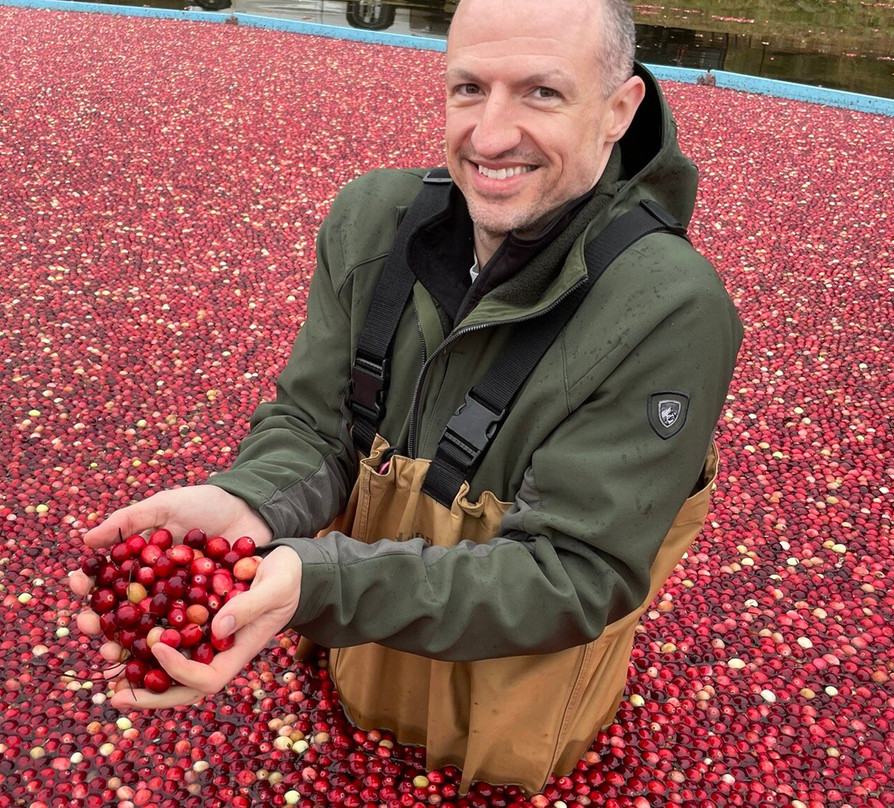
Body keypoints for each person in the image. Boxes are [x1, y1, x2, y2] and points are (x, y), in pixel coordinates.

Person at [70, 0, 742, 792]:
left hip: (510, 705)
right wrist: (249, 509)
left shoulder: (669, 309)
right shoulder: (372, 223)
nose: (489, 136)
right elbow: (319, 425)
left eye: (542, 93)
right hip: (354, 645)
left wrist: (317, 581)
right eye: (468, 89)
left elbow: (572, 575)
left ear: (618, 112)